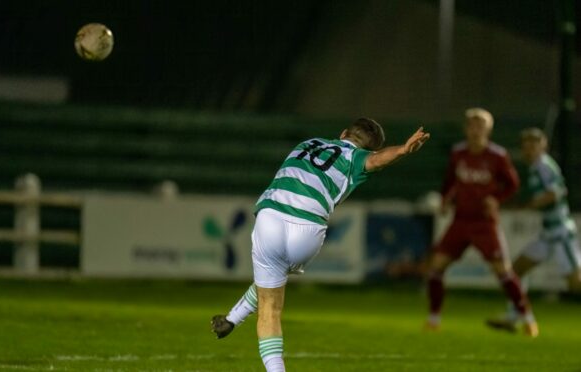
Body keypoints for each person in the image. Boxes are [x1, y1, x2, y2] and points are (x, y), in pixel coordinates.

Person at [210, 118, 430, 372]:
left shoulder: (308, 143)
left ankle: (239, 327)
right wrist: (402, 149)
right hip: (308, 227)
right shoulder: (356, 158)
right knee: (273, 279)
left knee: (269, 296)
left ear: (343, 133)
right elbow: (378, 160)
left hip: (271, 216)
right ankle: (231, 320)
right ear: (368, 149)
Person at [424, 108, 539, 337]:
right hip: (460, 221)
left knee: (503, 271)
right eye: (472, 125)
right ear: (466, 129)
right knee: (436, 267)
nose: (476, 130)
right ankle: (434, 318)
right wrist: (445, 200)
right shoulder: (458, 153)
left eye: (480, 126)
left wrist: (496, 199)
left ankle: (528, 318)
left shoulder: (497, 155)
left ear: (488, 130)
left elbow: (512, 184)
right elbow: (449, 181)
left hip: (485, 223)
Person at [487, 127, 581, 332]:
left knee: (576, 284)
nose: (529, 150)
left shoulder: (543, 167)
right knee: (517, 270)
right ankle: (513, 316)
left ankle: (513, 316)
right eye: (526, 146)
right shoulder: (535, 167)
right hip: (548, 234)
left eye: (534, 145)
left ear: (543, 146)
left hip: (560, 233)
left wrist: (528, 206)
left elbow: (555, 194)